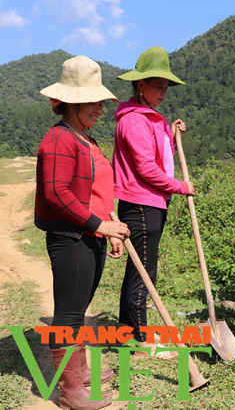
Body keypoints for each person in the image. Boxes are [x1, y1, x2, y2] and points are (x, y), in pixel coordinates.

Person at [36, 55, 130, 409]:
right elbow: (56, 193)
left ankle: (79, 372)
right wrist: (99, 225)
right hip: (71, 236)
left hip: (89, 234)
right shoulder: (60, 140)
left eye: (101, 102)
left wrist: (110, 229)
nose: (99, 109)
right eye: (93, 102)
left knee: (79, 308)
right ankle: (70, 392)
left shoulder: (83, 138)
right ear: (72, 103)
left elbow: (95, 192)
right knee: (69, 314)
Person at [112, 46, 194, 357]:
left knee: (141, 270)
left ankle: (126, 335)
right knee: (144, 272)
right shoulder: (134, 120)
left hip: (152, 203)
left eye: (165, 87)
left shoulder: (151, 118)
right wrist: (180, 187)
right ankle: (141, 339)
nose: (163, 92)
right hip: (141, 204)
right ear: (140, 85)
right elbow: (146, 169)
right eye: (157, 85)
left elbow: (159, 158)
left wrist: (171, 135)